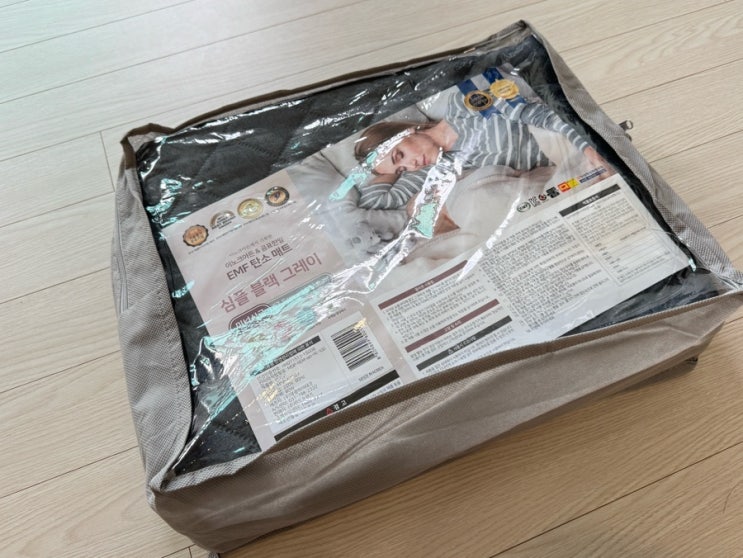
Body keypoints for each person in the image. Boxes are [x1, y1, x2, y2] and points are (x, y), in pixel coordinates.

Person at [353, 88, 607, 210]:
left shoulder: (462, 106)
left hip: (567, 134)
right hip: (563, 165)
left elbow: (541, 115)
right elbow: (377, 201)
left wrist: (587, 148)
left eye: (400, 155)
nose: (410, 166)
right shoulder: (442, 167)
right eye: (401, 170)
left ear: (405, 132)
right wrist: (382, 168)